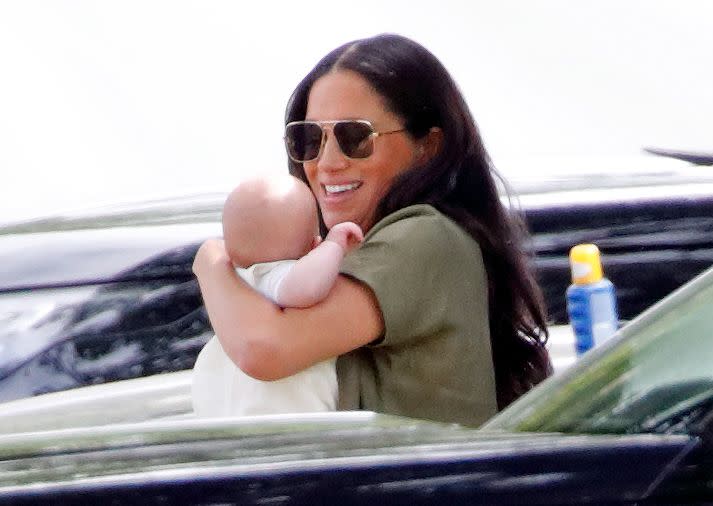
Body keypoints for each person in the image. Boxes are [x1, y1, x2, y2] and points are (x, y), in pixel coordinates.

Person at [193, 33, 552, 427]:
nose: (327, 162)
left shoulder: (426, 236)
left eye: (355, 137)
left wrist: (211, 263)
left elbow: (264, 349)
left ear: (428, 147)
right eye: (310, 138)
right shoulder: (343, 251)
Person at [192, 175, 363, 416]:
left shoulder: (233, 286)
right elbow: (308, 288)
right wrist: (334, 246)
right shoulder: (272, 277)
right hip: (290, 424)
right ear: (314, 246)